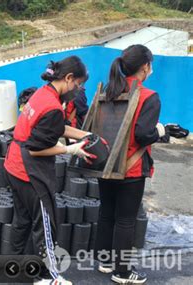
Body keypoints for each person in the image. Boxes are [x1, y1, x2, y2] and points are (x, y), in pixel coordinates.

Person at [4, 56, 98, 285]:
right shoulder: (54, 106)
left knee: (22, 221)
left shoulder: (42, 93)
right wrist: (70, 150)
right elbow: (37, 149)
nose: (78, 90)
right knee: (45, 226)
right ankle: (50, 277)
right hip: (29, 172)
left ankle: (13, 268)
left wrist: (84, 135)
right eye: (78, 85)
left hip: (13, 165)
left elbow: (55, 127)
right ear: (68, 79)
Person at [94, 45, 164, 284]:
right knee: (125, 220)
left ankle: (104, 261)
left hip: (105, 164)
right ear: (145, 67)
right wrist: (161, 131)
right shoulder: (148, 96)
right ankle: (122, 273)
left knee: (107, 213)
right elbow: (144, 134)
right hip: (131, 169)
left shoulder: (109, 91)